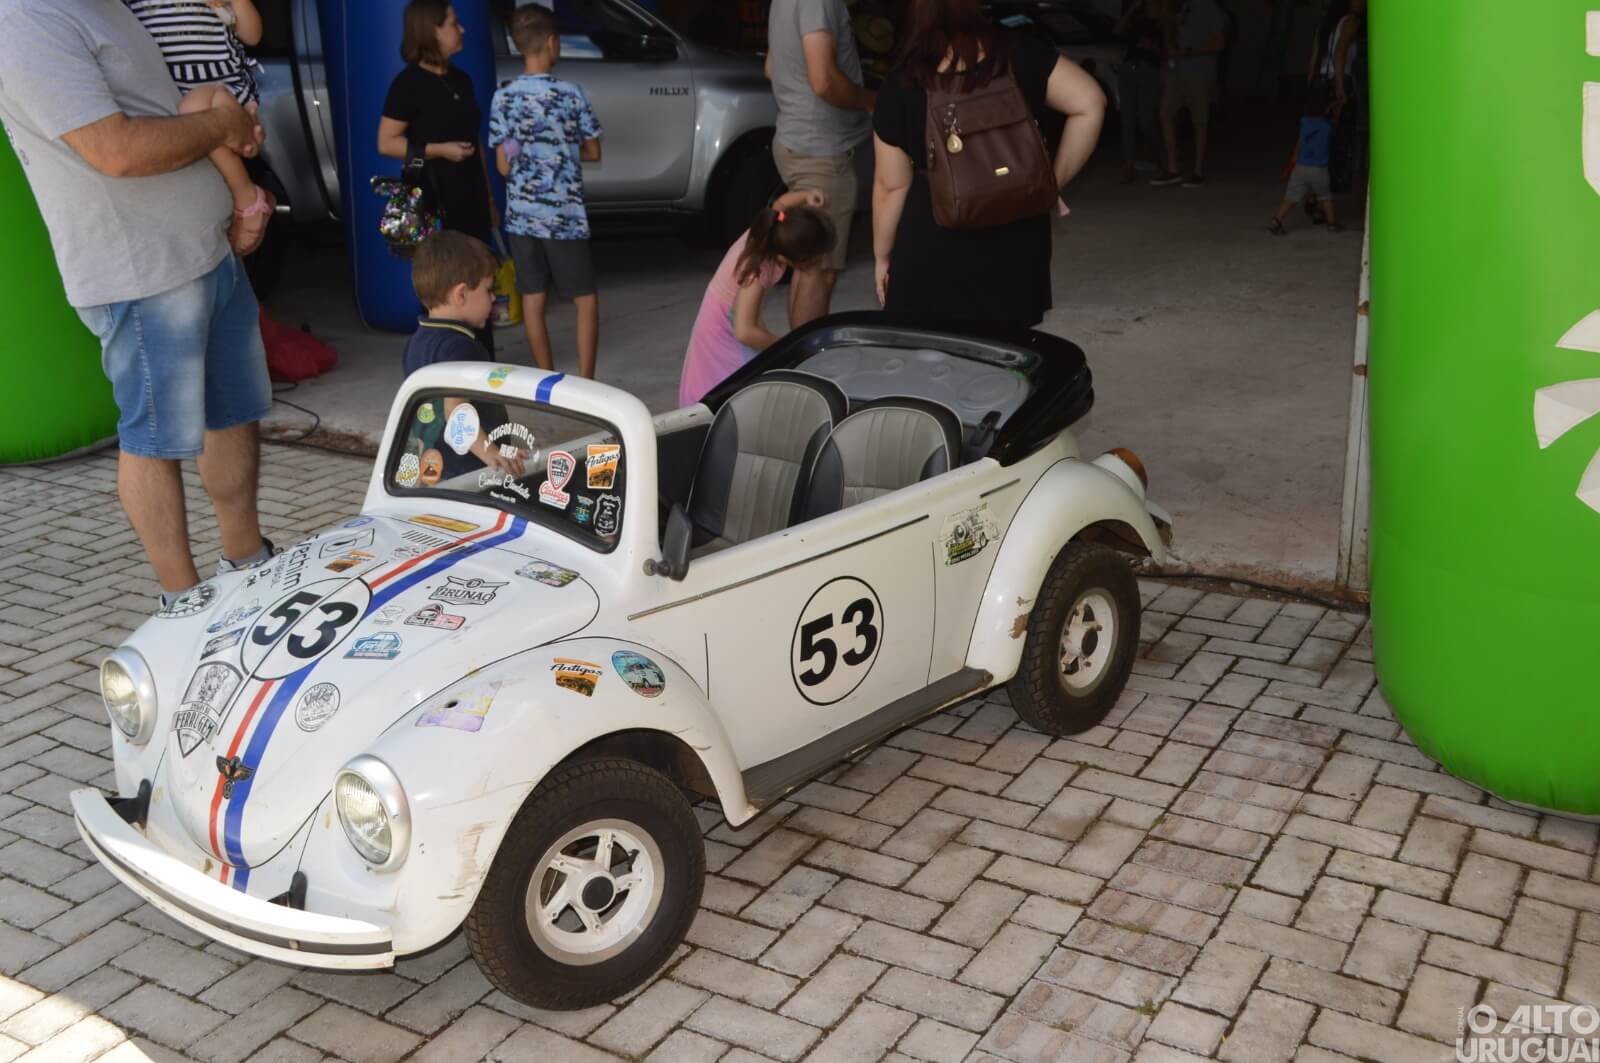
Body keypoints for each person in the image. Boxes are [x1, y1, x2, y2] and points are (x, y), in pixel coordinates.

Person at [0, 0, 275, 606]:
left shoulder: (105, 6)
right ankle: (185, 604)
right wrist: (221, 124)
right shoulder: (24, 19)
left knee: (232, 412)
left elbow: (164, 104)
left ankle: (251, 565)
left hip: (205, 251)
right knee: (155, 440)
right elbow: (115, 149)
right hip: (140, 272)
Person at [871, 0, 1105, 330]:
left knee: (933, 360)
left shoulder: (903, 81)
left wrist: (882, 256)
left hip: (935, 241)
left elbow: (891, 186)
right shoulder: (1022, 53)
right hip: (1017, 237)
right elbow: (1090, 102)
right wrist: (1049, 184)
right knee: (1010, 355)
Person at [490, 4, 603, 379]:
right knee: (584, 299)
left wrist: (525, 150)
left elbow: (503, 165)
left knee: (533, 298)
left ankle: (546, 378)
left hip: (522, 218)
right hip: (565, 218)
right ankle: (586, 382)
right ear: (552, 43)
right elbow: (593, 151)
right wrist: (561, 150)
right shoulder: (572, 94)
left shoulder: (503, 98)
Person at [379, 0, 499, 353]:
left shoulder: (461, 78)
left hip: (470, 196)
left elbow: (475, 142)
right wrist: (439, 150)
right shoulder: (408, 84)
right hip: (436, 199)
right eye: (452, 23)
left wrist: (489, 198)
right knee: (445, 282)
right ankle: (444, 360)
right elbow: (386, 141)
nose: (461, 29)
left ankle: (482, 359)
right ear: (431, 29)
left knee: (479, 277)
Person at [125, 0, 273, 256]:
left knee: (194, 113)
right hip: (170, 92)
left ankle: (247, 194)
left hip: (220, 88)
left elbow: (252, 35)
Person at [765, 0, 875, 328]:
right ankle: (806, 363)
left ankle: (799, 358)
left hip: (796, 139)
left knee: (808, 264)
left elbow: (771, 68)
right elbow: (823, 80)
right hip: (820, 151)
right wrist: (871, 101)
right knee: (819, 269)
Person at [678, 191, 834, 407]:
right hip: (723, 330)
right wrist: (785, 347)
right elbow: (745, 331)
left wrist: (807, 196)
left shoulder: (772, 228)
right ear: (792, 257)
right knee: (734, 392)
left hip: (731, 318)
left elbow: (780, 204)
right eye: (813, 259)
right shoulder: (756, 269)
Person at [402, 232, 526, 481]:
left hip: (430, 467)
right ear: (460, 295)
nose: (493, 298)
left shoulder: (416, 341)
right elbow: (455, 411)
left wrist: (504, 450)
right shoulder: (461, 347)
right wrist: (493, 455)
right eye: (489, 290)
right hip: (467, 475)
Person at [1150, 0, 1227, 188]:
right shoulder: (1182, 7)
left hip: (1199, 72)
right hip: (1177, 71)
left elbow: (1219, 42)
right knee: (1166, 114)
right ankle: (1173, 168)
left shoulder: (1209, 7)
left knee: (1199, 121)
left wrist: (1188, 52)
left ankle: (1198, 170)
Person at [1268, 84, 1340, 235]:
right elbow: (1334, 123)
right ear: (1326, 107)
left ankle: (1277, 220)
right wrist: (1336, 106)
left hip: (1300, 167)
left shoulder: (1304, 121)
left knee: (1291, 197)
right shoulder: (1326, 126)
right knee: (1325, 197)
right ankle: (1332, 224)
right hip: (1319, 169)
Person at [1113, 0, 1165, 183]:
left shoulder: (1166, 16)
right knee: (1126, 117)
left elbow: (1173, 49)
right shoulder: (1136, 16)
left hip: (1150, 69)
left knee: (1146, 118)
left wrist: (1154, 48)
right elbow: (1117, 31)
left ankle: (1161, 155)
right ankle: (1129, 164)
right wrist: (1132, 9)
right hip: (1129, 67)